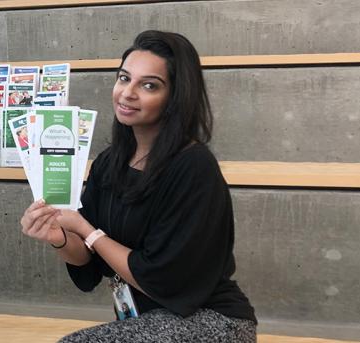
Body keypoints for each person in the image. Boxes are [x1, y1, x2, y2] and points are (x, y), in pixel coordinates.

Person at [19, 30, 256, 342]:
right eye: (123, 78)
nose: (128, 93)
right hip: (144, 319)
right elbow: (87, 261)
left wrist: (88, 231)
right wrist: (59, 237)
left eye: (148, 85)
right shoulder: (109, 162)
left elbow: (162, 278)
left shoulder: (193, 166)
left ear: (175, 97)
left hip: (212, 320)